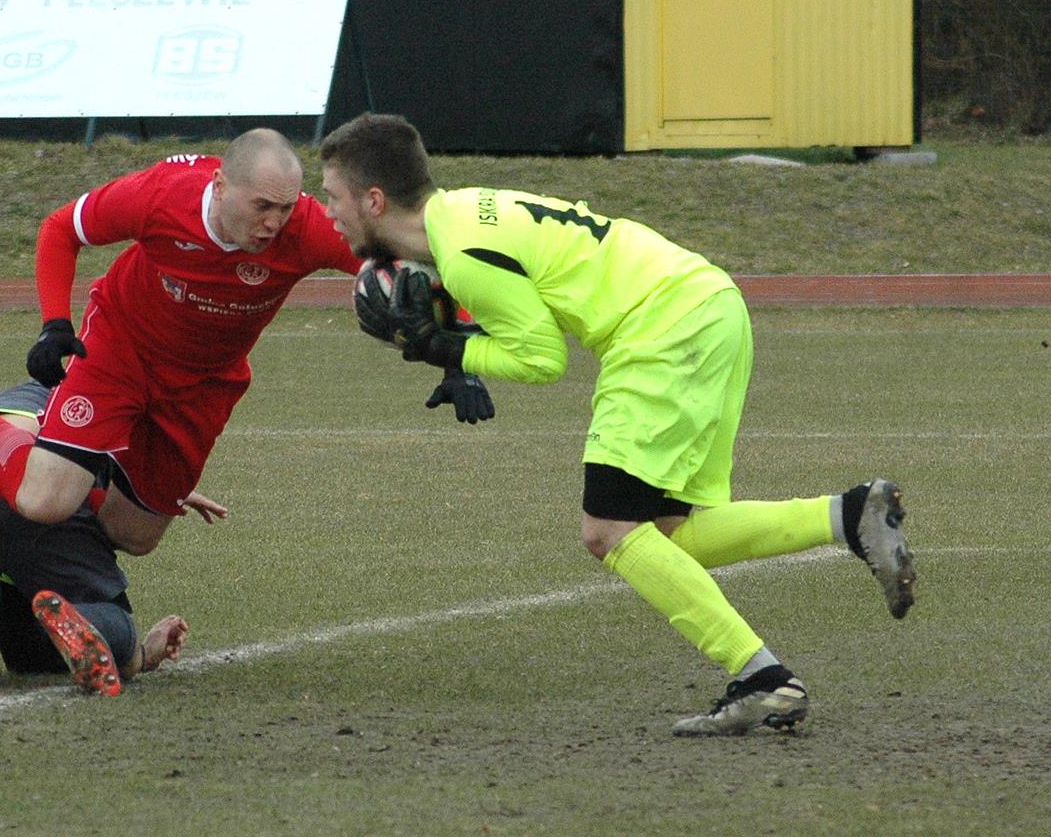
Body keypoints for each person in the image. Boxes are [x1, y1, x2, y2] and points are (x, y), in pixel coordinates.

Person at [317, 112, 915, 736]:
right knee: (669, 534)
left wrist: (446, 350)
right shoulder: (464, 211)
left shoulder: (463, 253)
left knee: (606, 530)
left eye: (333, 196)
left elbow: (542, 361)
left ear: (374, 199)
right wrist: (459, 348)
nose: (328, 210)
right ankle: (846, 515)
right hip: (708, 306)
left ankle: (762, 678)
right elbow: (522, 297)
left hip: (663, 328)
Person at [0, 128, 494, 555]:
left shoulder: (304, 229)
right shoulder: (159, 197)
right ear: (221, 188)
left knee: (132, 535)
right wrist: (54, 323)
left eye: (285, 206)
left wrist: (457, 352)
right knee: (43, 501)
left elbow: (431, 261)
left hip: (205, 382)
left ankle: (87, 486)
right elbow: (61, 227)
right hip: (120, 351)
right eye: (261, 206)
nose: (274, 222)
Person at [0, 381, 201, 697]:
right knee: (110, 627)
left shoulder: (19, 396)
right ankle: (93, 622)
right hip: (26, 479)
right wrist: (142, 656)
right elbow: (129, 530)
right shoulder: (100, 407)